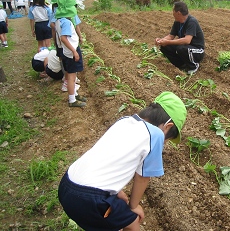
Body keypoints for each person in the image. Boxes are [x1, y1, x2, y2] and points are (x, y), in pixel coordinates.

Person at [58, 91, 187, 231]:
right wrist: (133, 206)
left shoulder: (125, 120)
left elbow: (111, 159)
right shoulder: (155, 135)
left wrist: (118, 193)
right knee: (132, 224)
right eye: (167, 140)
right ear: (168, 126)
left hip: (66, 185)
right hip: (90, 199)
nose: (164, 143)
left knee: (107, 222)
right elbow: (143, 177)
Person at [155, 1, 205, 74]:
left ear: (178, 13)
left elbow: (187, 40)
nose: (172, 12)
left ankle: (193, 65)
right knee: (165, 46)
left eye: (173, 10)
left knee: (181, 48)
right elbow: (171, 36)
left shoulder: (192, 21)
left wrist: (167, 42)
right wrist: (161, 41)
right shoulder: (177, 22)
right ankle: (182, 65)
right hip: (186, 48)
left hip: (197, 51)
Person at [54, 0, 86, 107]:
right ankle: (72, 100)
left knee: (71, 74)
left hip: (66, 52)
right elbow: (63, 38)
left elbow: (60, 38)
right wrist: (74, 51)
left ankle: (75, 94)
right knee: (72, 77)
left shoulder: (59, 20)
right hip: (71, 52)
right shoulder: (66, 22)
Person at [50, 0, 83, 92]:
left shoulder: (56, 13)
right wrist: (79, 38)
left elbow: (53, 27)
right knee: (70, 65)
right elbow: (75, 25)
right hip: (69, 44)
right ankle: (69, 82)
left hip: (61, 43)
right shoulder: (67, 18)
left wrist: (55, 40)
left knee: (63, 60)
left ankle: (67, 79)